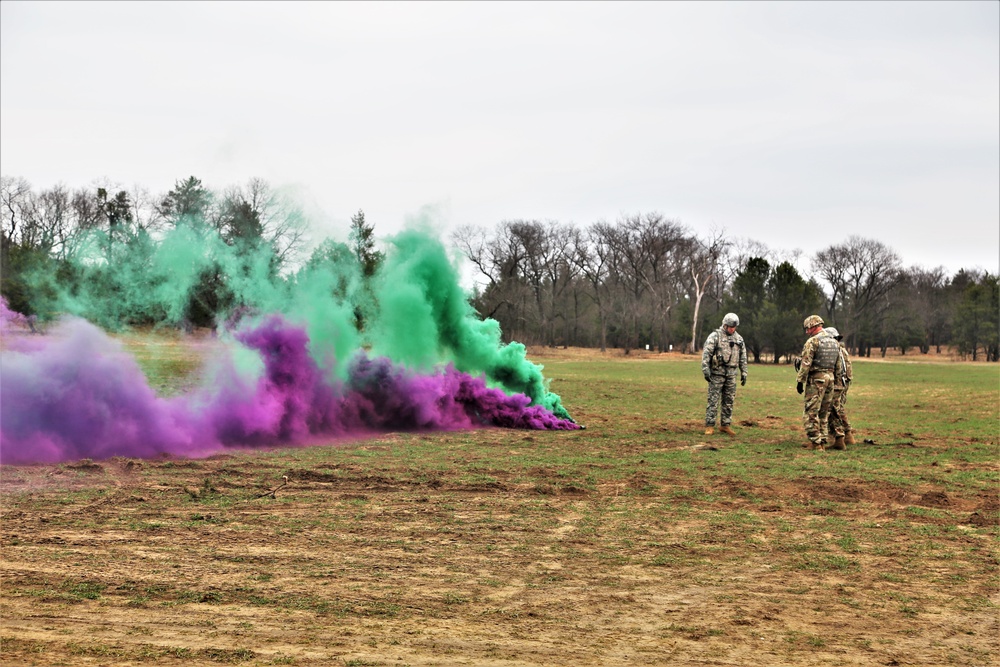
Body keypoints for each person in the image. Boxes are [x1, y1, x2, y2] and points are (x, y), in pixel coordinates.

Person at [795, 315, 843, 450]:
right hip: (831, 379)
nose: (806, 332)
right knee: (824, 412)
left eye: (807, 328)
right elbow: (838, 364)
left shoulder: (813, 341)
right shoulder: (834, 342)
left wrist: (800, 381)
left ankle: (816, 442)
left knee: (811, 411)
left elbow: (806, 363)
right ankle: (822, 439)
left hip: (817, 380)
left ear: (814, 326)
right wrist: (837, 381)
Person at [701, 312, 748, 436]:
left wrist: (744, 371)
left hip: (732, 374)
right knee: (713, 399)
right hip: (717, 373)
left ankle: (725, 425)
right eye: (730, 327)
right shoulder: (715, 336)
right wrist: (705, 369)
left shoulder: (739, 339)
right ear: (725, 325)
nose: (733, 329)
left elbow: (743, 356)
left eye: (734, 327)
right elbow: (707, 353)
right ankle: (710, 425)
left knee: (728, 400)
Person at [824, 327, 854, 449]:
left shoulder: (835, 350)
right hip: (844, 382)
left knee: (833, 409)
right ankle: (847, 434)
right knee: (839, 409)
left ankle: (840, 438)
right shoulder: (842, 350)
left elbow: (838, 369)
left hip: (838, 383)